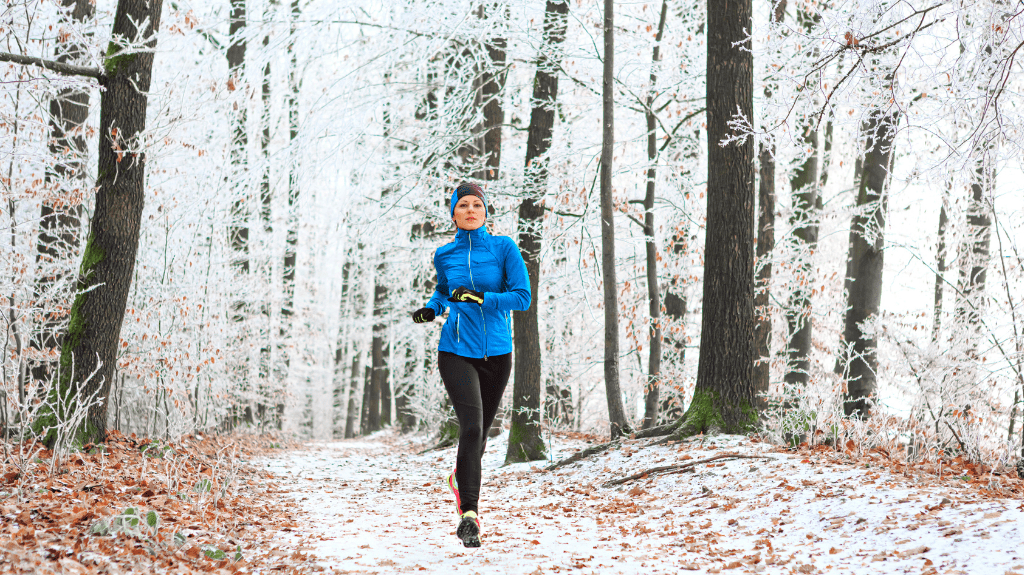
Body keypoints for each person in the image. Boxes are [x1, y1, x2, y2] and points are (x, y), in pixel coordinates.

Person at [411, 181, 530, 548]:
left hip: (497, 352)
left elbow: (521, 297)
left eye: (476, 204)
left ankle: (459, 480)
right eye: (463, 205)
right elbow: (444, 291)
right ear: (453, 213)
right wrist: (434, 308)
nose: (470, 210)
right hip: (456, 351)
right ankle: (470, 516)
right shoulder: (444, 254)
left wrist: (481, 297)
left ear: (485, 212)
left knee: (478, 440)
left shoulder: (504, 248)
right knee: (473, 427)